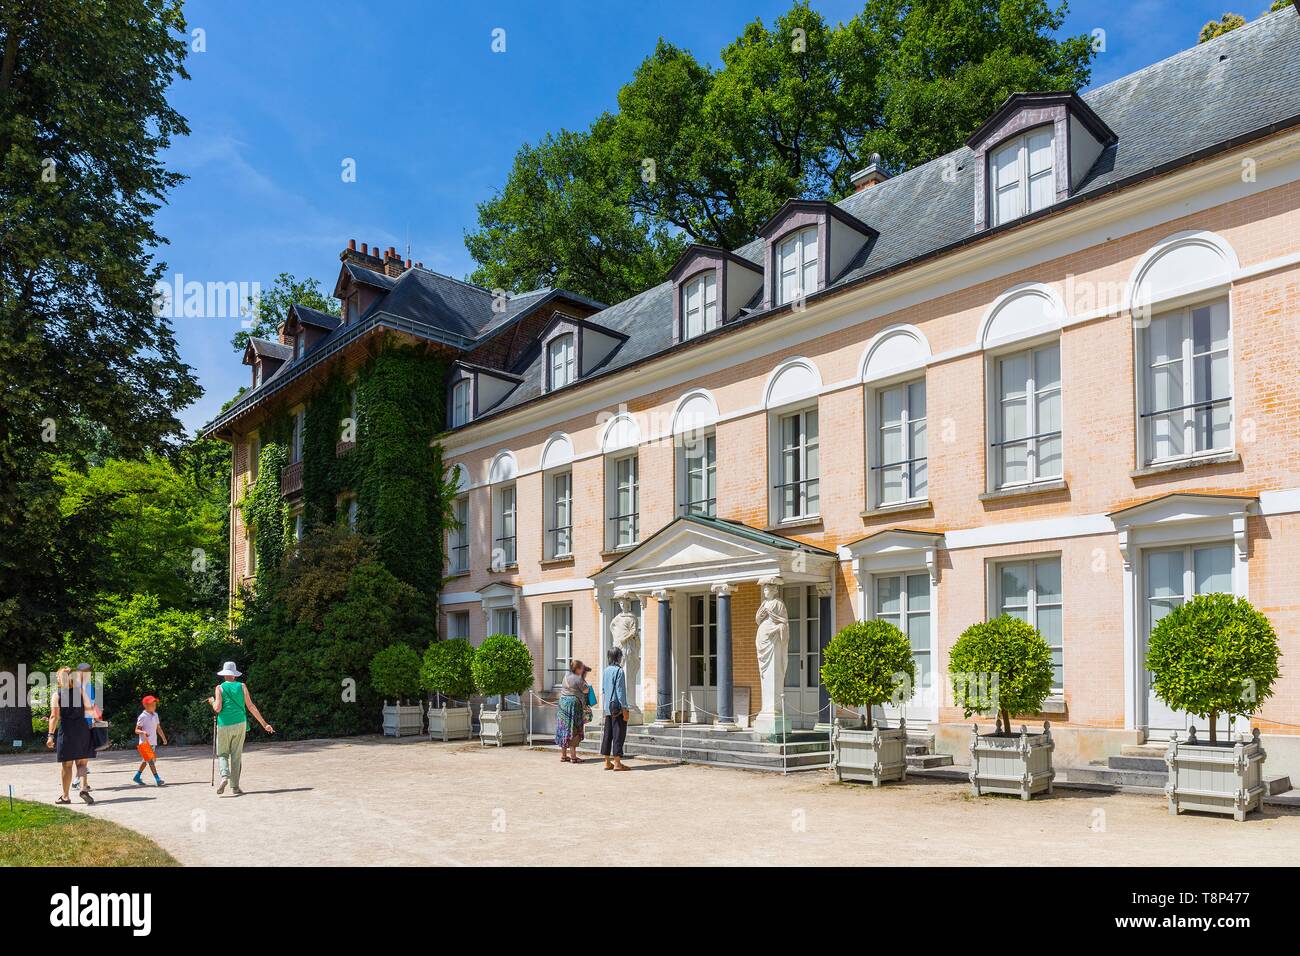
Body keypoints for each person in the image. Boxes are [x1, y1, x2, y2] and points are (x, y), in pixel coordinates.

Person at [207, 662, 274, 796]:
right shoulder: (242, 686)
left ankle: (225, 776)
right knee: (236, 756)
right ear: (235, 674)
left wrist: (212, 701)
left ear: (224, 674)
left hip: (224, 724)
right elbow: (250, 706)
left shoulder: (219, 688)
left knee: (223, 754)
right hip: (240, 723)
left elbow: (218, 709)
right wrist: (264, 724)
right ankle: (235, 787)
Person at [46, 667, 95, 804]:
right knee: (82, 763)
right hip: (83, 730)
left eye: (57, 677)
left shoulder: (57, 695)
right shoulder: (81, 692)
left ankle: (66, 796)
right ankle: (83, 788)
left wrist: (50, 735)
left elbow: (54, 717)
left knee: (67, 765)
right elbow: (90, 711)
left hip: (67, 731)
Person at [600, 647, 631, 771]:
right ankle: (617, 763)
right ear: (618, 657)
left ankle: (607, 762)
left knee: (608, 735)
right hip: (617, 708)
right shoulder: (619, 671)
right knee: (619, 734)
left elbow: (603, 690)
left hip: (608, 707)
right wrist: (625, 709)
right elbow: (620, 692)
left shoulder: (606, 670)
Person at [554, 659, 590, 764]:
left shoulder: (566, 676)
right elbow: (586, 690)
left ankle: (564, 756)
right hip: (573, 705)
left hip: (562, 703)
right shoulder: (578, 678)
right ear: (578, 669)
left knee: (564, 728)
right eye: (582, 668)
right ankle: (573, 757)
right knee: (573, 728)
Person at [133, 696, 168, 786]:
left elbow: (158, 728)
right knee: (151, 761)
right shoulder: (142, 716)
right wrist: (143, 732)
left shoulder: (155, 715)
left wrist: (164, 738)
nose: (154, 706)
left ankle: (137, 776)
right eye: (152, 705)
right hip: (144, 743)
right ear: (145, 705)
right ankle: (157, 779)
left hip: (153, 742)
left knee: (146, 760)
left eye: (155, 704)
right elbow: (136, 730)